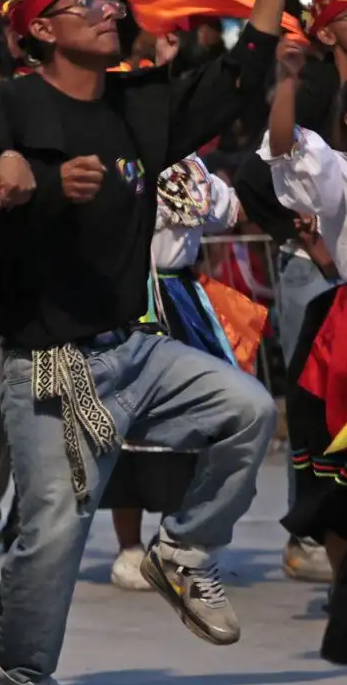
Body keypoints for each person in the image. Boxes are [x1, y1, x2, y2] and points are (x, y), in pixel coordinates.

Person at [0, 0, 285, 685]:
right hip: (53, 362)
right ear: (42, 29)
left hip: (137, 348)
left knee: (248, 410)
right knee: (55, 529)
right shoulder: (8, 105)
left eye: (108, 0)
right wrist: (24, 183)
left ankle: (183, 550)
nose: (108, 10)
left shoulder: (137, 105)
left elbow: (238, 80)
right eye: (85, 2)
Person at [103, 151, 254, 590]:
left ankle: (175, 542)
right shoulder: (122, 155)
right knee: (128, 421)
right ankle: (128, 549)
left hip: (183, 300)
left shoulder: (194, 167)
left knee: (196, 423)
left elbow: (233, 210)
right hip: (131, 299)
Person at [261, 0, 347, 663]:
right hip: (343, 329)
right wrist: (289, 77)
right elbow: (284, 143)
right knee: (339, 477)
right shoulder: (336, 170)